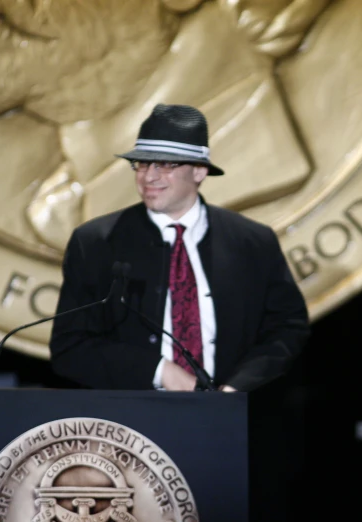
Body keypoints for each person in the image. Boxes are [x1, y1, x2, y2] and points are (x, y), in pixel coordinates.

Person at [49, 103, 310, 392]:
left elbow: (287, 328)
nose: (149, 177)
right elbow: (69, 347)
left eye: (165, 164)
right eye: (142, 164)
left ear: (199, 171)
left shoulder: (252, 242)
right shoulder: (97, 242)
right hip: (130, 426)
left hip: (231, 420)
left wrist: (237, 388)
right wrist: (157, 371)